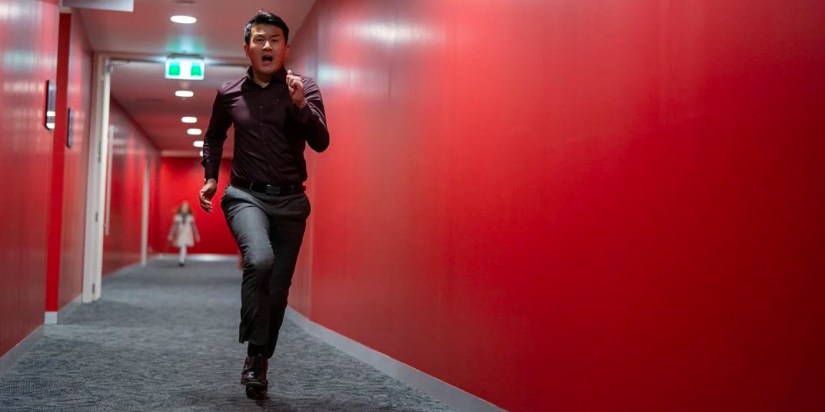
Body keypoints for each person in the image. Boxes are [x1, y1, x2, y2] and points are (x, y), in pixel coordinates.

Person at [198, 10, 330, 395]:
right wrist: (211, 177)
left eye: (275, 39)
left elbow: (321, 142)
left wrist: (301, 105)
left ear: (286, 48)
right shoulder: (229, 93)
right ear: (247, 48)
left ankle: (260, 357)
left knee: (279, 288)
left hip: (291, 201)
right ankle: (255, 354)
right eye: (259, 39)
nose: (267, 45)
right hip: (245, 195)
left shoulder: (304, 87)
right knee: (259, 260)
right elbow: (213, 137)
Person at [167, 201, 200, 266]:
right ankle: (182, 258)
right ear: (181, 208)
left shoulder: (190, 217)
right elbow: (174, 226)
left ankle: (181, 260)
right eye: (183, 208)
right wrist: (171, 234)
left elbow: (194, 227)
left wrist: (196, 235)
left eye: (186, 208)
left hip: (187, 233)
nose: (184, 209)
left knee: (183, 246)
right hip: (180, 233)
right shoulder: (177, 217)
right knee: (181, 245)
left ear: (188, 209)